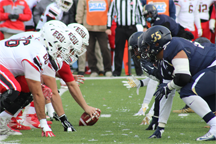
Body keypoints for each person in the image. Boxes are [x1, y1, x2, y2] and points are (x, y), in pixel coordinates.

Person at [139, 25, 216, 141]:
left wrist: (168, 87)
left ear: (157, 43)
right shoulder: (164, 62)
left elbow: (183, 77)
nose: (146, 51)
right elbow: (167, 95)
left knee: (187, 91)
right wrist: (160, 127)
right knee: (206, 100)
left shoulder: (172, 46)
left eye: (147, 46)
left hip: (213, 64)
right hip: (211, 67)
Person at [0, 25, 71, 137]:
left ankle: (1, 122)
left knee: (27, 90)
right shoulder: (38, 54)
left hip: (6, 65)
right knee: (13, 89)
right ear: (51, 44)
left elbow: (34, 84)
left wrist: (40, 86)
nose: (60, 52)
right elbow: (37, 94)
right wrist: (44, 125)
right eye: (59, 48)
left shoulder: (40, 46)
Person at [106, 0, 145, 76]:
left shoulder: (135, 1)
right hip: (120, 28)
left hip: (132, 28)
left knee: (136, 50)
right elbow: (110, 13)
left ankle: (139, 71)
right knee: (119, 50)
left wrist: (144, 26)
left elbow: (140, 13)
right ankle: (117, 71)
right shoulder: (116, 1)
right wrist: (108, 27)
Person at [76, 0, 112, 77]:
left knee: (105, 49)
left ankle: (108, 69)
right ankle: (93, 70)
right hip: (88, 27)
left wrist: (109, 26)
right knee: (90, 50)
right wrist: (80, 24)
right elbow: (80, 10)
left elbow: (111, 9)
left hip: (102, 27)